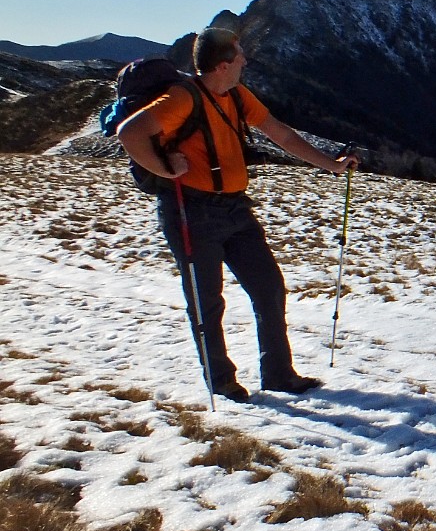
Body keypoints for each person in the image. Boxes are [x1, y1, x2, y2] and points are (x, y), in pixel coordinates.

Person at [118, 27, 357, 401]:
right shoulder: (181, 99)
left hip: (235, 209)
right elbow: (130, 132)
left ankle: (279, 374)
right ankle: (222, 380)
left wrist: (331, 166)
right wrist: (166, 170)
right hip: (191, 212)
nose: (246, 60)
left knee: (269, 286)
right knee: (207, 301)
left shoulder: (235, 95)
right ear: (224, 65)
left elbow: (280, 133)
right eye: (240, 55)